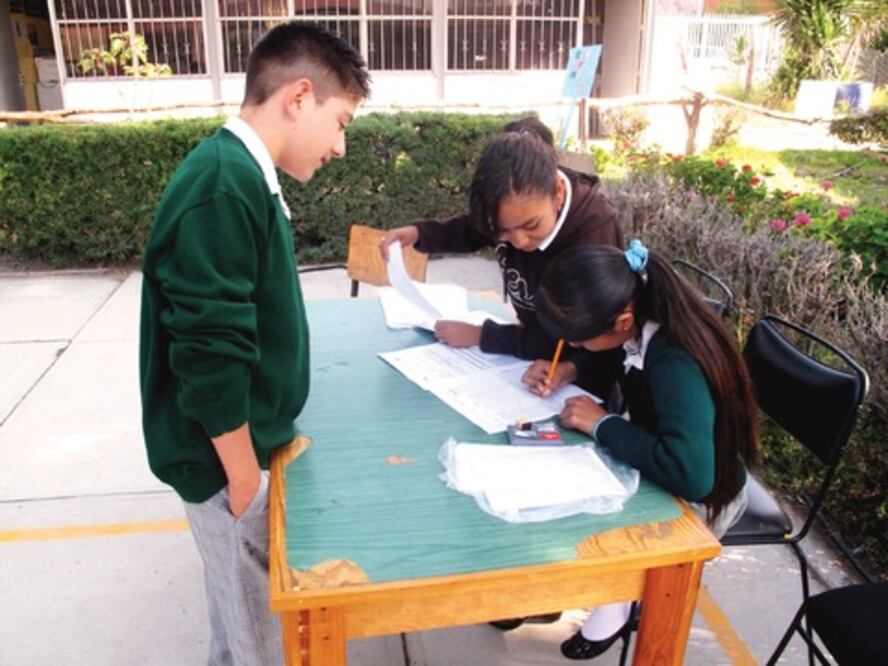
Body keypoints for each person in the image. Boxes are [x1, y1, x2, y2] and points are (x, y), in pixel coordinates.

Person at [139, 23, 370, 666]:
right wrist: (244, 478)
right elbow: (209, 351)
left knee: (242, 635)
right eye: (341, 120)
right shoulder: (223, 184)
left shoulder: (245, 175)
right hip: (225, 470)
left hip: (239, 460)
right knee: (264, 650)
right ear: (299, 97)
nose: (341, 146)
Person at [521, 240, 759, 660]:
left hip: (703, 496)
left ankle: (623, 601)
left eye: (577, 341)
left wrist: (603, 423)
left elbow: (692, 474)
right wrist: (570, 369)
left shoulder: (675, 360)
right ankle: (556, 589)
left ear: (623, 320)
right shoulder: (640, 314)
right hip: (662, 452)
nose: (571, 345)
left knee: (577, 507)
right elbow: (613, 357)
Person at [379, 128, 622, 360]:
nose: (518, 241)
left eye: (532, 226)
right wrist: (419, 234)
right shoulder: (515, 211)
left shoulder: (593, 235)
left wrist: (483, 335)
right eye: (502, 230)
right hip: (530, 346)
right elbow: (472, 230)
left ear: (558, 193)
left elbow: (586, 337)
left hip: (577, 368)